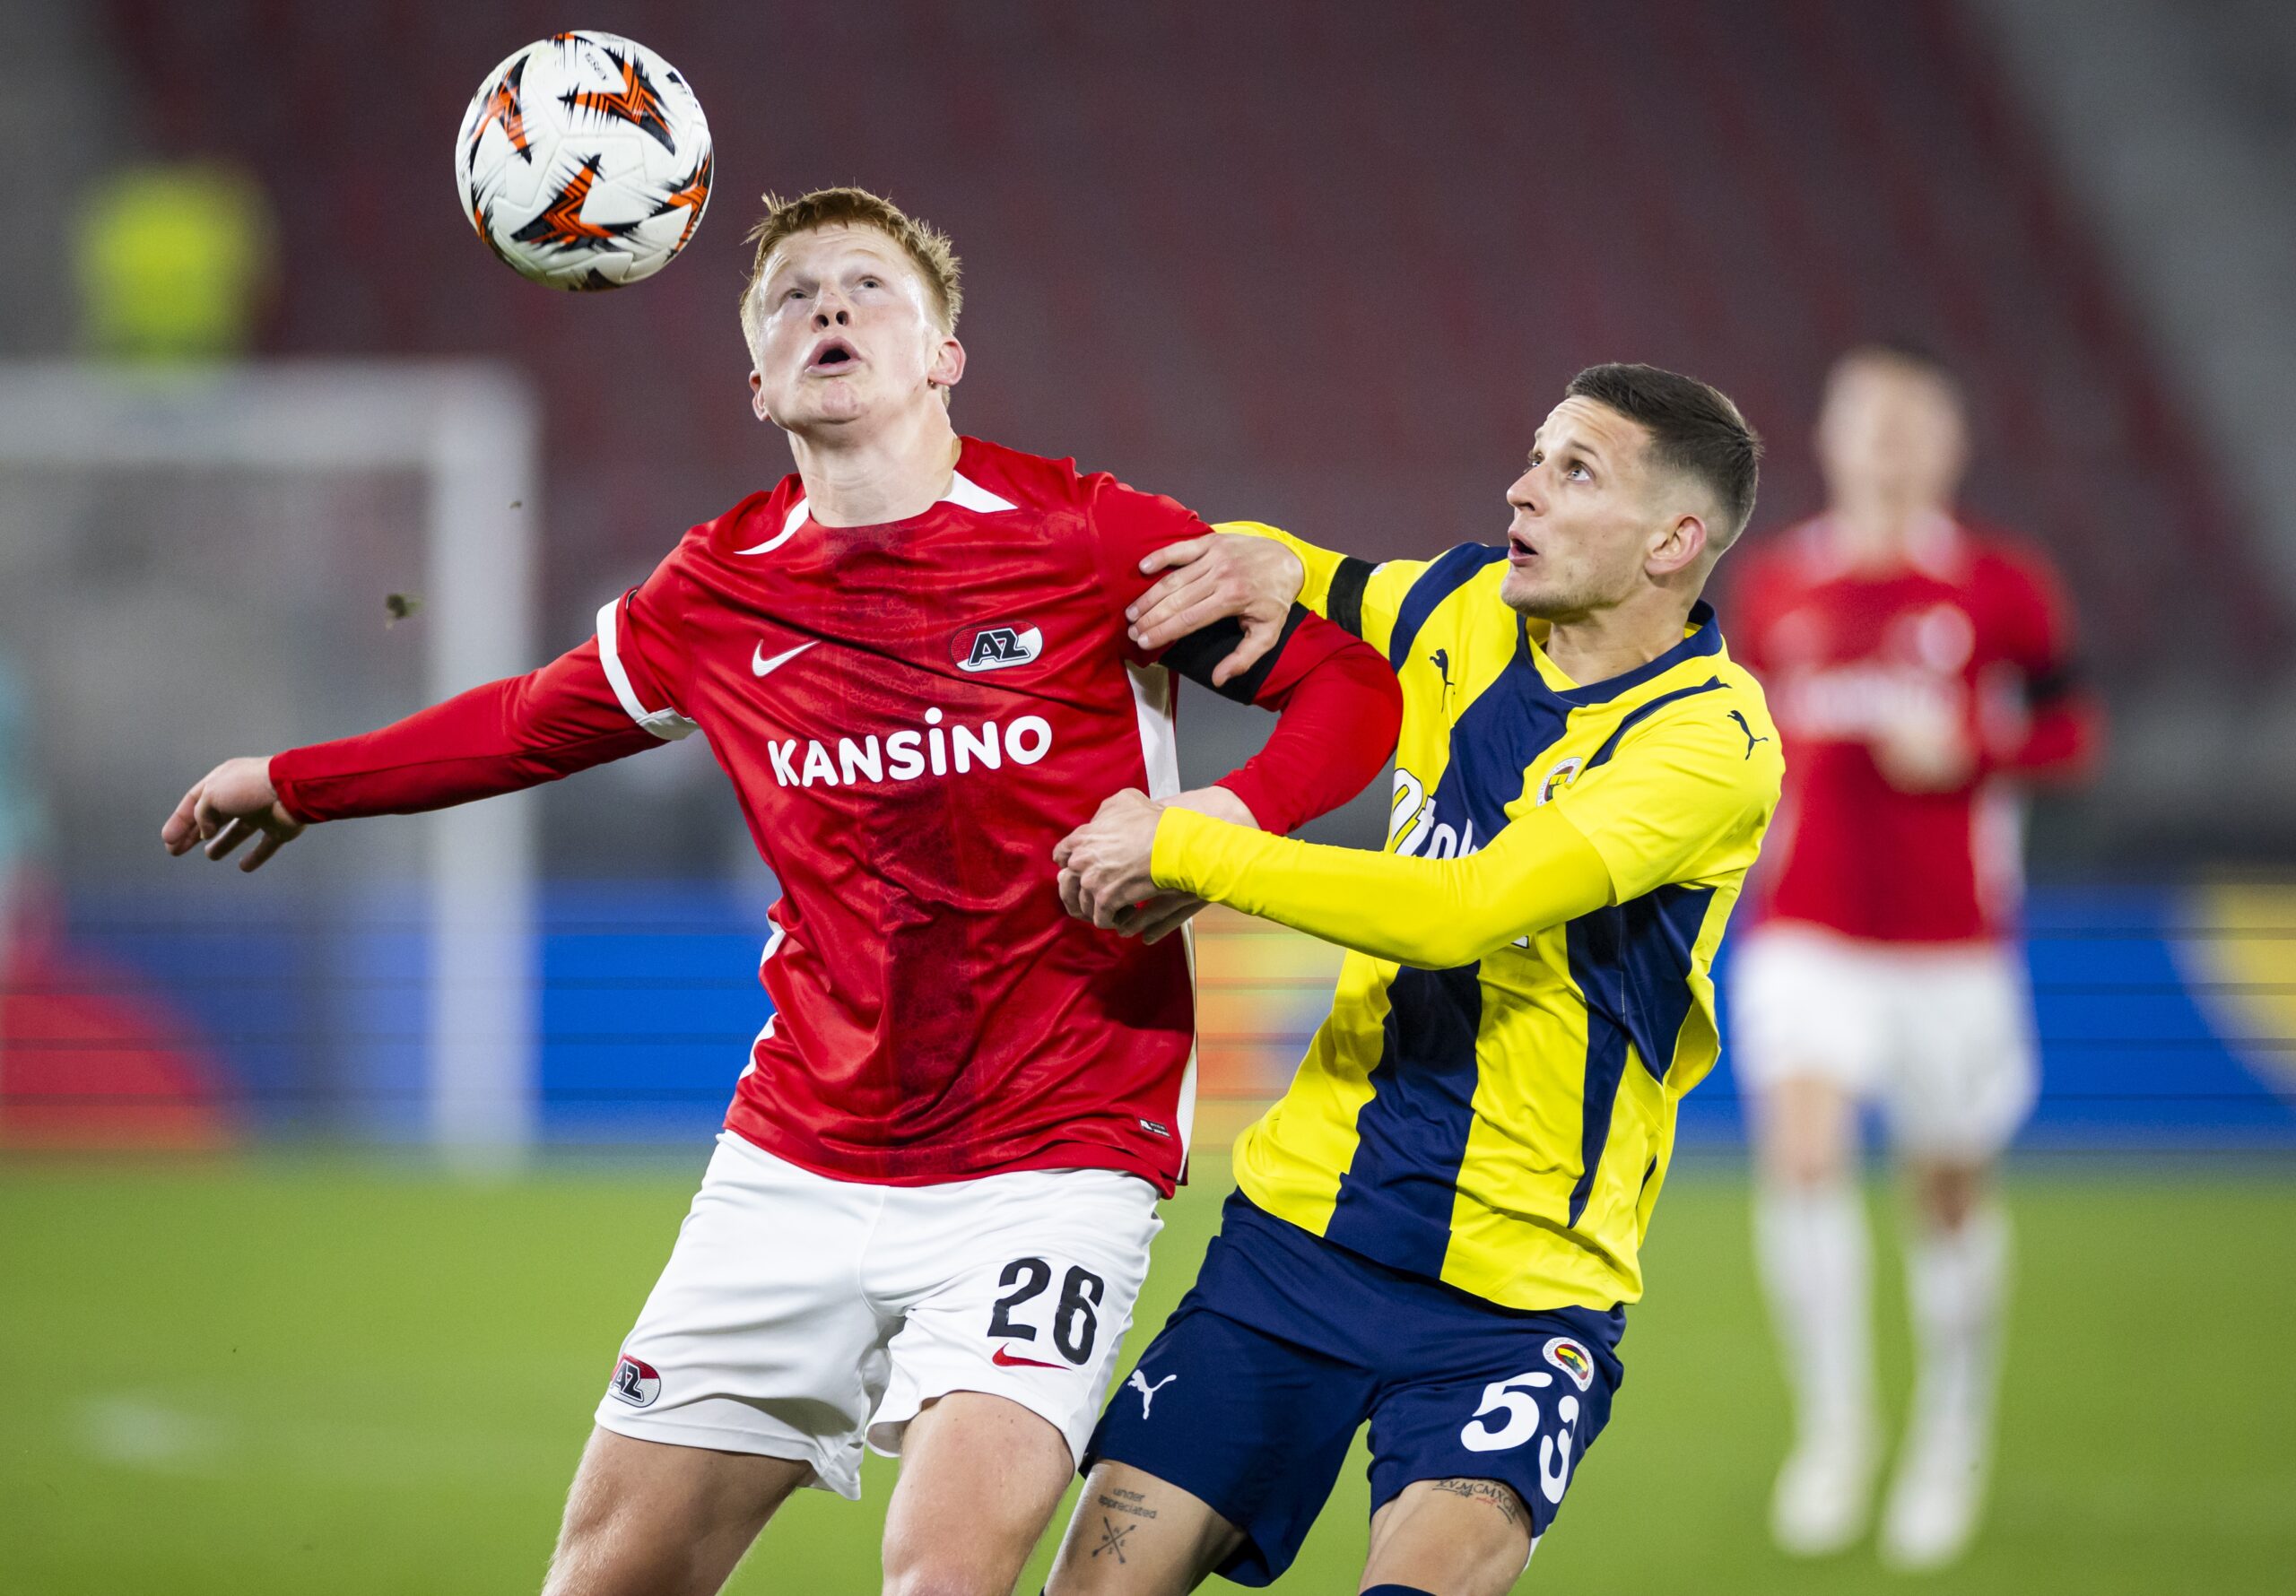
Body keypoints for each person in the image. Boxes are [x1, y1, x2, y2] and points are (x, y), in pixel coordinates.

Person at [159, 186, 1400, 1596]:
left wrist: (1213, 828)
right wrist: (296, 777)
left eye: (869, 287)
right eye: (794, 296)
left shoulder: (1088, 537)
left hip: (1056, 1156)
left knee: (942, 1573)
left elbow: (1351, 690)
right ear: (757, 384)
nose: (829, 307)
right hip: (797, 1158)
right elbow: (520, 724)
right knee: (602, 1582)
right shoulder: (717, 589)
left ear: (946, 355)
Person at [1047, 364, 1779, 1596]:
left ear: (1675, 541)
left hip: (1518, 1298)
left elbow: (1465, 909)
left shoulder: (1708, 744)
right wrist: (1262, 557)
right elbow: (1303, 573)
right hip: (1299, 1241)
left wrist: (1189, 841)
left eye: (1573, 472)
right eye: (1537, 455)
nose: (1523, 490)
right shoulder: (1463, 607)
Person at [1723, 343, 2099, 1569]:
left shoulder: (2003, 586)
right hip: (1808, 931)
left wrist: (1978, 754)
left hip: (1951, 947)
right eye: (1864, 414)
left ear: (1948, 440)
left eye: (1909, 417)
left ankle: (1952, 1429)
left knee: (1945, 1191)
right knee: (1806, 1146)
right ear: (1828, 435)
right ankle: (1836, 1431)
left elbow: (2073, 732)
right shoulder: (1776, 587)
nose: (1885, 436)